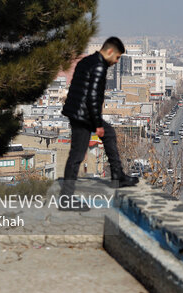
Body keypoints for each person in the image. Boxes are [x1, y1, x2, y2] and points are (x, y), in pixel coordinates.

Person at [59, 37, 138, 211]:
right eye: (117, 57)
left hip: (77, 111)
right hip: (83, 115)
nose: (116, 62)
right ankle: (66, 199)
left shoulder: (87, 61)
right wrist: (97, 124)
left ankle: (118, 175)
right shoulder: (99, 66)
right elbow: (93, 97)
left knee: (108, 135)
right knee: (77, 155)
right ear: (109, 51)